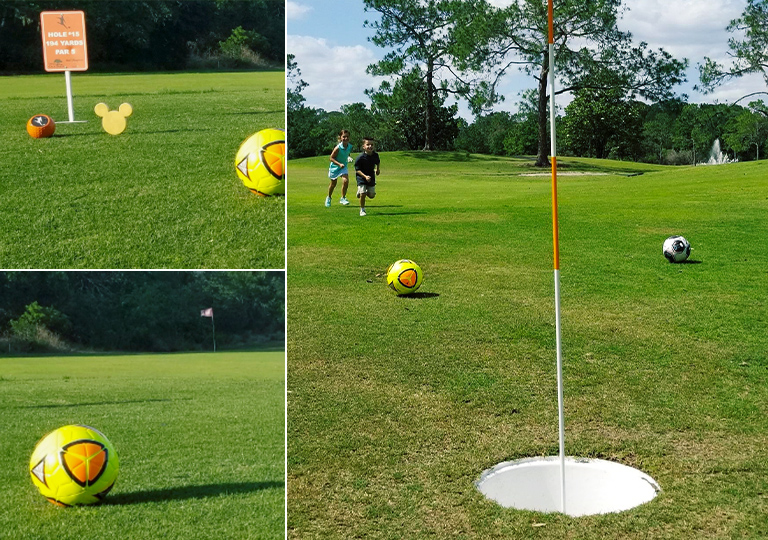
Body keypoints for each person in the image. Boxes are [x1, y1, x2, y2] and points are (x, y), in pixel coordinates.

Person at [354, 137, 380, 217]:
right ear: (363, 147)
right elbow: (357, 170)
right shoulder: (360, 157)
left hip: (371, 177)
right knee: (363, 193)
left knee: (372, 195)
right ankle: (362, 210)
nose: (370, 146)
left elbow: (378, 162)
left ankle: (361, 192)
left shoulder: (375, 155)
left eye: (372, 145)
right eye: (368, 144)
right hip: (361, 177)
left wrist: (377, 169)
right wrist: (365, 176)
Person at [326, 130, 352, 207]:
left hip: (343, 167)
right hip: (334, 167)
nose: (346, 138)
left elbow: (347, 153)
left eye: (347, 136)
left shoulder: (349, 146)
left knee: (345, 181)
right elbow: (331, 158)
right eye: (344, 137)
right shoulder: (338, 148)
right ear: (340, 138)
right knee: (333, 184)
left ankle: (343, 198)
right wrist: (339, 164)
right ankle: (329, 197)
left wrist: (349, 157)